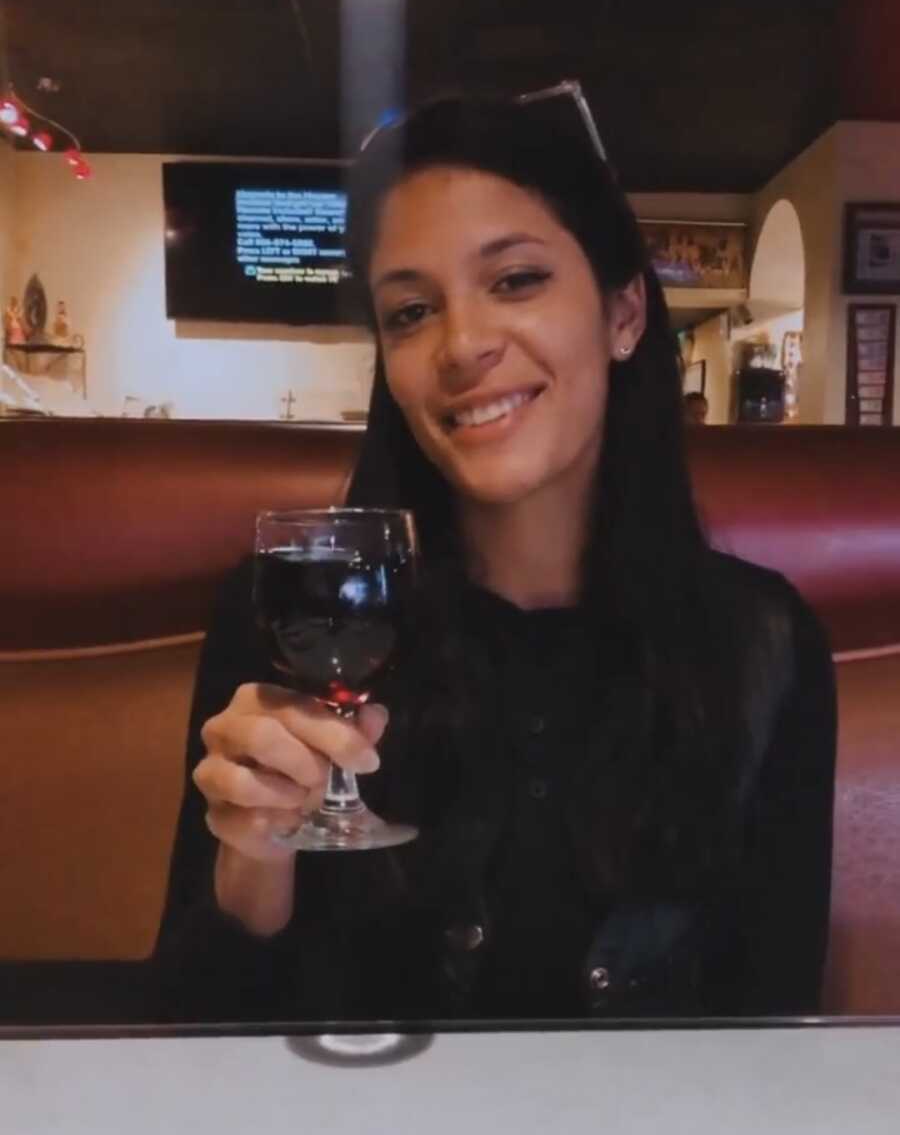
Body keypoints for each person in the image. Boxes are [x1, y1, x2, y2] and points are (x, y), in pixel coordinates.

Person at [154, 83, 836, 1023]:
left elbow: (780, 1029)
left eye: (515, 280)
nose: (462, 344)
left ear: (625, 313)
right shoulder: (293, 616)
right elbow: (187, 1035)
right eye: (409, 311)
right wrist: (254, 856)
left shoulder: (766, 646)